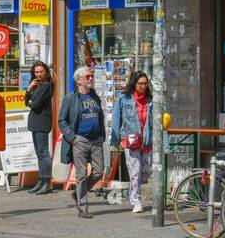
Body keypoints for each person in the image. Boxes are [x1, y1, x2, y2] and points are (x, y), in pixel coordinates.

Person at [58, 66, 105, 218]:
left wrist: (102, 135)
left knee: (99, 171)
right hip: (80, 140)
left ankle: (77, 194)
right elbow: (62, 120)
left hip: (96, 139)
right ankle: (83, 207)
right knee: (81, 175)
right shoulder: (70, 98)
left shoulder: (94, 96)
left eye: (91, 76)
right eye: (87, 77)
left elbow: (100, 116)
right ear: (78, 80)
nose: (91, 78)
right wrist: (72, 138)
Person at [110, 70, 154, 213]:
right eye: (140, 84)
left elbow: (156, 122)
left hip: (147, 140)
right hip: (131, 140)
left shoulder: (151, 101)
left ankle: (135, 189)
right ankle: (136, 201)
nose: (143, 86)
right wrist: (115, 139)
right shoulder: (124, 99)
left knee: (147, 170)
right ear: (134, 84)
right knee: (135, 171)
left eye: (145, 84)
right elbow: (116, 120)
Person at [24, 61, 55, 195]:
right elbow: (27, 101)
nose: (39, 74)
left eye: (41, 72)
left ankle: (46, 181)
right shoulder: (37, 86)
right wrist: (29, 89)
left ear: (46, 72)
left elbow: (35, 105)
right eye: (36, 72)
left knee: (44, 153)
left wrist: (31, 101)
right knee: (39, 154)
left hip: (42, 121)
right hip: (35, 122)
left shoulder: (46, 85)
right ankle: (41, 180)